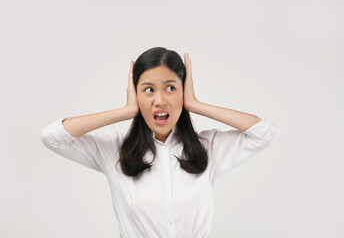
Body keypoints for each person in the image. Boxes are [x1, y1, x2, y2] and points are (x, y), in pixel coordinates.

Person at [40, 47, 280, 238]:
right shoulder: (114, 150)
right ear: (135, 94)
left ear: (183, 92)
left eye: (171, 88)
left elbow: (265, 132)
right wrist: (126, 111)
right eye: (148, 90)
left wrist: (196, 104)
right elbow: (52, 136)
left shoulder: (209, 148)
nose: (160, 100)